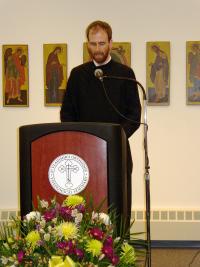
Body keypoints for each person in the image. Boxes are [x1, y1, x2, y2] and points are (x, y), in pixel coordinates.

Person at [60, 20, 141, 229]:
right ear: (87, 44)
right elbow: (67, 113)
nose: (97, 49)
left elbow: (134, 115)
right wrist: (81, 140)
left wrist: (114, 139)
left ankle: (121, 251)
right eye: (93, 44)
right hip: (84, 155)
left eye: (102, 43)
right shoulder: (78, 75)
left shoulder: (125, 74)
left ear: (111, 43)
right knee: (85, 209)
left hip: (118, 152)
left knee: (118, 208)